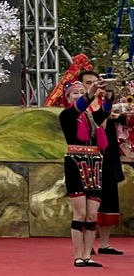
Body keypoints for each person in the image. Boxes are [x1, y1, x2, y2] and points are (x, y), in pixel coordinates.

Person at [79, 70, 129, 259]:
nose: (93, 85)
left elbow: (116, 116)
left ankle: (105, 244)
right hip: (88, 158)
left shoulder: (106, 104)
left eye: (96, 82)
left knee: (109, 198)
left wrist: (119, 111)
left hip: (108, 157)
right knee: (86, 202)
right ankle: (86, 243)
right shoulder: (78, 107)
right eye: (88, 82)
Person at [60, 77, 110, 268]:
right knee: (80, 214)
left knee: (91, 215)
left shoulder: (91, 119)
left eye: (82, 92)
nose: (79, 95)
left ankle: (88, 255)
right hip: (75, 163)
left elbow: (105, 111)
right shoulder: (66, 115)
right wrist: (91, 92)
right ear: (67, 97)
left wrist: (109, 94)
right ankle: (78, 256)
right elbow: (81, 105)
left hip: (95, 163)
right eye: (75, 93)